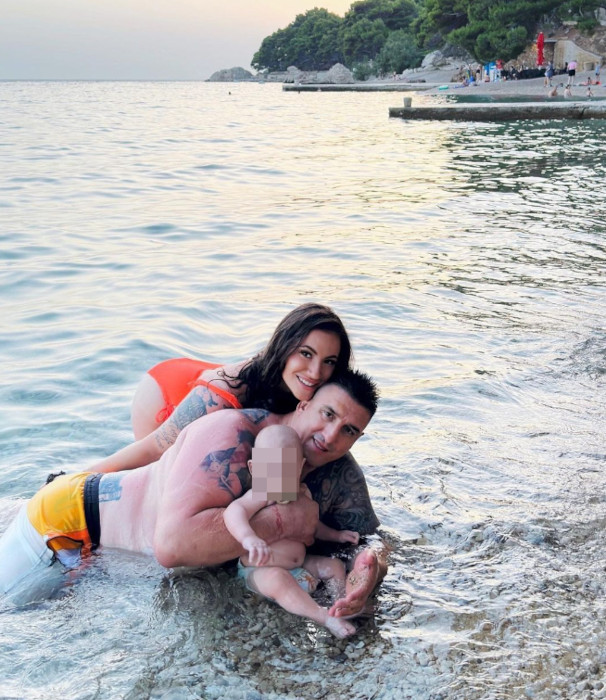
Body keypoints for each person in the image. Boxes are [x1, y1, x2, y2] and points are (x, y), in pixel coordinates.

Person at [0, 370, 387, 615]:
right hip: (71, 518)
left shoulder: (338, 473)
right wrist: (287, 521)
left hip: (105, 549)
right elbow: (170, 547)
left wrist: (364, 575)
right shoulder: (232, 434)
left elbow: (370, 540)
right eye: (328, 414)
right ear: (304, 405)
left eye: (349, 431)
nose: (331, 436)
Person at [91, 303, 352, 473]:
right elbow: (151, 449)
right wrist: (79, 483)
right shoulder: (225, 393)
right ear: (284, 346)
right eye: (306, 353)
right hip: (167, 392)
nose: (316, 372)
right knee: (160, 474)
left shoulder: (320, 392)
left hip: (218, 381)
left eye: (329, 361)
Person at [224, 425, 360, 638]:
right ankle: (323, 617)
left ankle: (341, 604)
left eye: (286, 469)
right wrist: (248, 537)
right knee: (278, 579)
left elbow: (313, 526)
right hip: (260, 573)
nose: (278, 477)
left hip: (300, 568)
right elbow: (234, 511)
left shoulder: (303, 494)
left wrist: (337, 535)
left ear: (299, 468)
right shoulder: (261, 493)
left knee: (334, 565)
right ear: (254, 468)